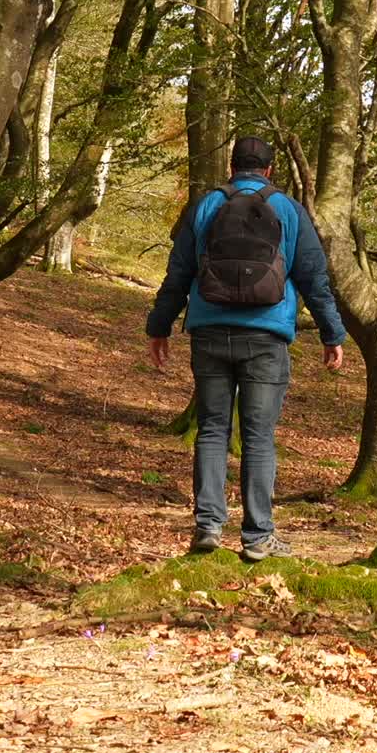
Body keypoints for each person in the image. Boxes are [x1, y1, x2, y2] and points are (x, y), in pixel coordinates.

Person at [146, 135, 347, 561]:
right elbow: (314, 276)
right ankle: (257, 536)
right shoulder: (289, 210)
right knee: (258, 436)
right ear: (270, 170)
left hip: (209, 332)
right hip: (266, 337)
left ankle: (208, 526)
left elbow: (178, 272)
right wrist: (333, 334)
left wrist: (158, 326)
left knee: (213, 429)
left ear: (232, 166)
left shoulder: (205, 205)